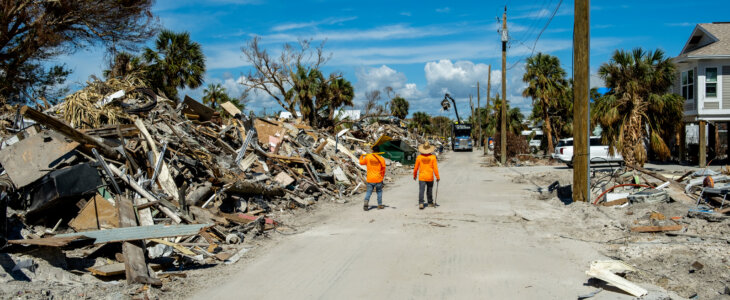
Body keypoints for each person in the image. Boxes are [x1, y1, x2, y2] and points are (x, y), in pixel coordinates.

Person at [413, 142, 440, 209]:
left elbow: (416, 167)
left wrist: (415, 175)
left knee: (421, 190)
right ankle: (430, 202)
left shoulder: (419, 157)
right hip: (430, 176)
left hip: (422, 177)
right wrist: (437, 177)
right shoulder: (433, 157)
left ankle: (421, 203)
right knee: (429, 190)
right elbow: (435, 168)